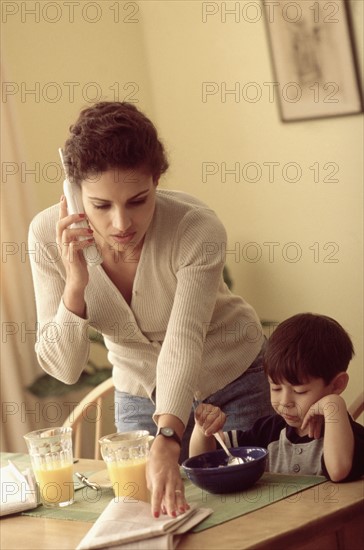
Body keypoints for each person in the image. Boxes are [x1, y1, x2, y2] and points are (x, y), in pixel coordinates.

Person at [28, 101, 273, 518]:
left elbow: (184, 337)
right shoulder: (48, 235)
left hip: (232, 380)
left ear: (156, 180)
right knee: (149, 513)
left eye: (138, 200)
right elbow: (64, 368)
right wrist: (76, 284)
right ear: (73, 192)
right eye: (101, 205)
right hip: (140, 389)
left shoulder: (196, 228)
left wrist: (167, 434)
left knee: (253, 513)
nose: (122, 223)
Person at [190, 313, 364, 482]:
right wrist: (203, 429)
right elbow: (204, 463)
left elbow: (338, 471)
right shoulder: (267, 432)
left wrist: (334, 403)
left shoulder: (350, 436)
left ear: (336, 385)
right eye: (275, 387)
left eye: (300, 391)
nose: (285, 402)